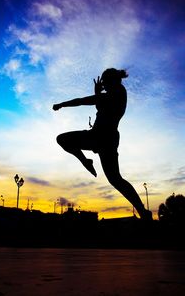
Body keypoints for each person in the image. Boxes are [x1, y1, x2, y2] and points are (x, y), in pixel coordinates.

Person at [53, 68, 152, 220]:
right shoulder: (116, 94)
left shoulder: (116, 94)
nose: (103, 86)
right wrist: (98, 93)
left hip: (100, 137)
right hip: (105, 138)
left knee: (62, 139)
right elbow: (100, 105)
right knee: (115, 179)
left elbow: (83, 101)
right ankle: (143, 212)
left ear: (111, 81)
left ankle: (85, 161)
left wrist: (61, 104)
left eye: (105, 83)